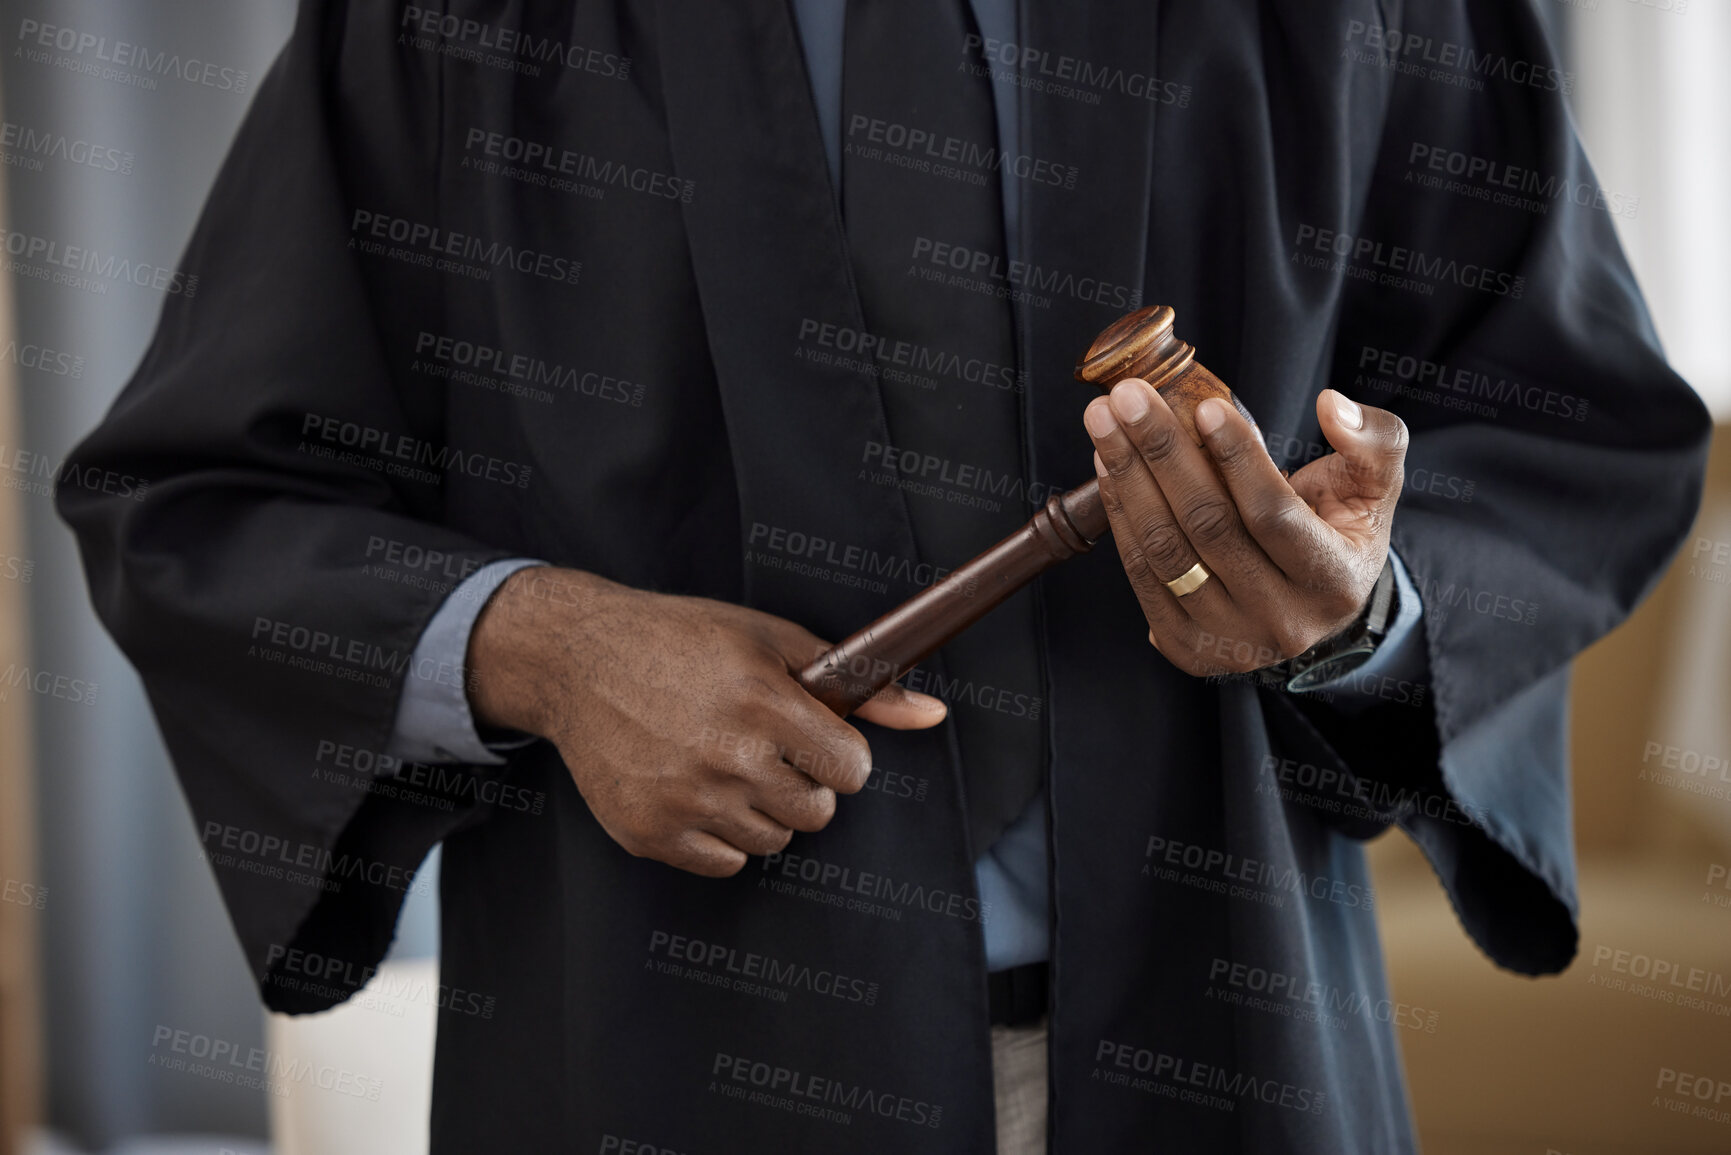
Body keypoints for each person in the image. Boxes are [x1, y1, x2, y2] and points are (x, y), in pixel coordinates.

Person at [57, 0, 1709, 1151]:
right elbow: (208, 497)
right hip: (666, 1054)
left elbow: (1574, 437)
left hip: (1229, 1048)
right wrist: (539, 646)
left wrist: (1363, 613)